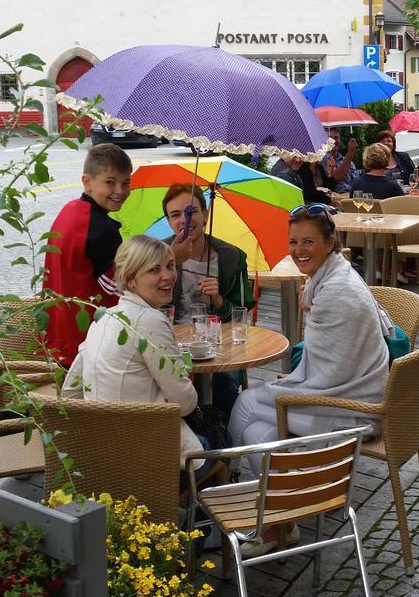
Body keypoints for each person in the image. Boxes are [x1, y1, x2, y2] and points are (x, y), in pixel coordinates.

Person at [227, 205, 390, 555]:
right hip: (359, 394)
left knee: (244, 402)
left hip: (349, 408)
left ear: (330, 243)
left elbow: (326, 378)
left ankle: (232, 486)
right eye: (293, 241)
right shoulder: (335, 277)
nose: (299, 249)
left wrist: (314, 302)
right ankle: (279, 524)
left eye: (308, 241)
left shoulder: (335, 293)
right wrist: (311, 296)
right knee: (258, 434)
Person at [62, 235, 211, 481]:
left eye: (170, 266)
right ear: (131, 280)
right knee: (218, 437)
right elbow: (185, 403)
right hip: (149, 458)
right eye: (154, 269)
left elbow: (70, 391)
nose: (168, 276)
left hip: (101, 456)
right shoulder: (149, 320)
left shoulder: (104, 317)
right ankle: (197, 515)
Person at [162, 183, 256, 417]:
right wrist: (170, 262)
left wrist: (219, 301)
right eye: (175, 215)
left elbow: (242, 316)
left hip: (220, 345)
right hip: (171, 343)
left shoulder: (231, 258)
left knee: (224, 381)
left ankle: (221, 439)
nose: (185, 220)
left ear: (205, 214)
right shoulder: (159, 255)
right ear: (169, 221)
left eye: (191, 211)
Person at [43, 143, 132, 366]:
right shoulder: (102, 230)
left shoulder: (69, 211)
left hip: (54, 337)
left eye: (126, 182)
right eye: (110, 182)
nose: (120, 191)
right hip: (85, 344)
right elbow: (119, 290)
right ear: (87, 182)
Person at [320, 127, 359, 194]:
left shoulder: (348, 161)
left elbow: (356, 183)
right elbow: (336, 177)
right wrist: (350, 152)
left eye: (336, 137)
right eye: (330, 138)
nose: (334, 140)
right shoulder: (321, 159)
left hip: (351, 198)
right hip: (334, 200)